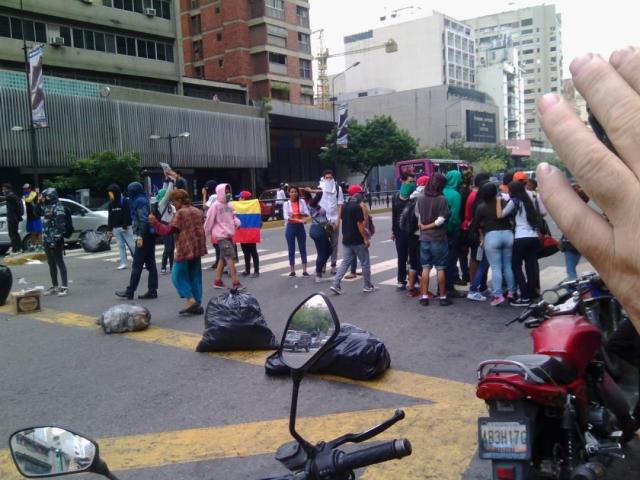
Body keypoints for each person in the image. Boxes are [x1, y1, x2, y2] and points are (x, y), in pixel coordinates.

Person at [150, 189, 207, 315]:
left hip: (185, 249)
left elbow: (168, 231)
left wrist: (155, 223)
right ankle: (197, 303)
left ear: (180, 200)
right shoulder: (197, 211)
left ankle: (191, 301)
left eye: (174, 201)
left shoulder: (181, 213)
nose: (173, 204)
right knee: (195, 276)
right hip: (197, 247)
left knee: (177, 276)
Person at [498, 181, 542, 305]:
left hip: (520, 237)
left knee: (516, 266)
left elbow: (501, 214)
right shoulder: (532, 199)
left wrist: (498, 201)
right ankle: (532, 293)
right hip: (533, 237)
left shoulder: (514, 201)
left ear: (513, 191)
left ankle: (524, 296)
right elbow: (542, 213)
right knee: (531, 267)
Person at [473, 182, 516, 306]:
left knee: (496, 267)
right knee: (507, 265)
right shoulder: (505, 203)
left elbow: (475, 224)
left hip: (491, 236)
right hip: (508, 235)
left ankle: (498, 295)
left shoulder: (481, 207)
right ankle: (511, 292)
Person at [115, 182, 158, 300]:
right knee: (151, 264)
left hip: (144, 236)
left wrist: (140, 236)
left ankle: (130, 291)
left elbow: (143, 220)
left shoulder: (139, 201)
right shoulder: (144, 199)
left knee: (137, 265)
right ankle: (152, 290)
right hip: (150, 235)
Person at [330, 185, 375, 295]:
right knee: (365, 262)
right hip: (357, 239)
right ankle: (367, 285)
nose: (363, 195)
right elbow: (360, 224)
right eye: (361, 194)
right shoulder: (358, 207)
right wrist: (365, 239)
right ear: (357, 195)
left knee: (345, 263)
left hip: (346, 238)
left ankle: (336, 284)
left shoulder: (344, 206)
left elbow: (342, 219)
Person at [416, 174, 451, 307]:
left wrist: (423, 227)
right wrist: (428, 226)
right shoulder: (442, 199)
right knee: (440, 268)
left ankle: (424, 296)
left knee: (425, 268)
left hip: (424, 238)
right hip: (438, 238)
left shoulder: (420, 199)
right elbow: (441, 220)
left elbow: (418, 216)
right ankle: (442, 297)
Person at [204, 183, 244, 290]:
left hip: (229, 235)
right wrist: (205, 234)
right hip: (221, 236)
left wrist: (237, 222)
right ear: (220, 192)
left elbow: (233, 217)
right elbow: (208, 221)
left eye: (229, 192)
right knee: (230, 257)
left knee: (222, 259)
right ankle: (235, 282)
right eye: (226, 192)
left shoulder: (230, 205)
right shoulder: (215, 206)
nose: (228, 194)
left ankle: (217, 281)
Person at [36, 188, 68, 296]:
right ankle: (55, 286)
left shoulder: (58, 207)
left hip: (55, 240)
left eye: (44, 196)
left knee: (59, 262)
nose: (42, 198)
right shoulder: (46, 206)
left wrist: (55, 240)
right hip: (47, 238)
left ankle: (64, 287)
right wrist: (38, 202)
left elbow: (61, 226)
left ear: (49, 196)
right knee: (51, 263)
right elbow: (36, 213)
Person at [391, 172, 416, 290]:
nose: (412, 184)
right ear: (402, 181)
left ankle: (415, 279)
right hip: (400, 231)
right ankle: (401, 279)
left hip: (412, 231)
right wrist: (393, 231)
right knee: (402, 257)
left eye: (413, 182)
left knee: (413, 256)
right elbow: (394, 214)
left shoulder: (415, 196)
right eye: (410, 181)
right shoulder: (395, 196)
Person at [317, 170, 345, 275]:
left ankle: (333, 265)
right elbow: (317, 205)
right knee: (323, 244)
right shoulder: (320, 188)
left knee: (334, 243)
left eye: (330, 177)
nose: (328, 179)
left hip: (334, 219)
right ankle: (323, 263)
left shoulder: (338, 188)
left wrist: (338, 220)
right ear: (323, 178)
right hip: (323, 221)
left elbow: (340, 205)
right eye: (326, 177)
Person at [560, 184, 590, 280]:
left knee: (571, 270)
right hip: (583, 242)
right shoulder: (587, 211)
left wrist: (562, 240)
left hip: (570, 242)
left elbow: (566, 227)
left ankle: (574, 290)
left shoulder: (571, 210)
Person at [443, 170, 463, 297]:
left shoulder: (441, 191)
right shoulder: (456, 195)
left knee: (443, 261)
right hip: (451, 232)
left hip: (438, 231)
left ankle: (442, 287)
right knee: (451, 261)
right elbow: (454, 217)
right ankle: (449, 288)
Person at [304, 189, 332, 283]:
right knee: (323, 252)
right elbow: (320, 193)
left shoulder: (318, 204)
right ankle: (318, 274)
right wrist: (311, 189)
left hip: (319, 229)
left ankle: (318, 269)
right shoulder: (312, 204)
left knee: (328, 250)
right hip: (318, 229)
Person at [283, 185, 310, 277]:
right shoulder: (286, 204)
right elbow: (286, 217)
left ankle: (304, 270)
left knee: (302, 248)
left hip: (300, 227)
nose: (294, 193)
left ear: (298, 193)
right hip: (290, 227)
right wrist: (298, 219)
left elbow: (307, 213)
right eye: (292, 192)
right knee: (291, 249)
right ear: (289, 193)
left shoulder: (302, 202)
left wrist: (301, 215)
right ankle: (292, 270)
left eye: (295, 191)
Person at [106, 184, 134, 270]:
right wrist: (109, 229)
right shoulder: (111, 203)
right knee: (121, 246)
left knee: (132, 245)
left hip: (125, 228)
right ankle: (123, 263)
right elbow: (110, 217)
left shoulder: (124, 201)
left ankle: (140, 261)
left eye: (111, 193)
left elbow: (127, 214)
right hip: (116, 228)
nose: (110, 195)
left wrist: (124, 225)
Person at [238, 190, 260, 278]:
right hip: (242, 232)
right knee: (246, 252)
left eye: (240, 197)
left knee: (253, 252)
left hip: (250, 232)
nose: (239, 199)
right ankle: (247, 270)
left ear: (243, 198)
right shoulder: (238, 207)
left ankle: (256, 271)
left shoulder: (253, 207)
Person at [154, 187, 176, 275]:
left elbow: (174, 215)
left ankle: (172, 266)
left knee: (172, 247)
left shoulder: (171, 205)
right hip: (164, 226)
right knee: (167, 248)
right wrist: (170, 181)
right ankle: (163, 266)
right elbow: (166, 196)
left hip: (172, 227)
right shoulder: (161, 204)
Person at [0, 184, 23, 255]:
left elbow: (2, 198)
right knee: (13, 233)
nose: (3, 191)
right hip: (12, 218)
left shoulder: (11, 196)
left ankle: (16, 249)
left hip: (13, 218)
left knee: (13, 234)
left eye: (4, 189)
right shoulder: (11, 196)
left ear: (8, 189)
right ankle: (16, 248)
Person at [22, 184, 42, 251]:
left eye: (25, 189)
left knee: (38, 231)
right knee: (32, 232)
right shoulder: (26, 194)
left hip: (35, 216)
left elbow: (29, 200)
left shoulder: (34, 193)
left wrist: (25, 197)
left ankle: (39, 246)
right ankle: (33, 246)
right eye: (24, 189)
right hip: (30, 216)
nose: (24, 190)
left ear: (30, 188)